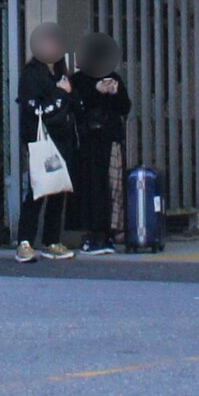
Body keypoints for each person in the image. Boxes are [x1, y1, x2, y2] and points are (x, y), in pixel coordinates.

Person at [14, 25, 79, 262]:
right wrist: (61, 94)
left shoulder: (63, 74)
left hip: (62, 139)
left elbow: (73, 105)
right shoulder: (31, 74)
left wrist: (68, 93)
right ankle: (24, 242)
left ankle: (52, 241)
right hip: (40, 141)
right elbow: (38, 109)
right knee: (37, 189)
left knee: (59, 188)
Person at [70, 36, 132, 255]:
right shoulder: (78, 80)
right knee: (91, 188)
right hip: (88, 142)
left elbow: (125, 107)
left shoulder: (114, 78)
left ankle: (109, 232)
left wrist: (115, 92)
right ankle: (91, 234)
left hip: (110, 139)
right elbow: (74, 105)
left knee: (112, 188)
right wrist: (96, 90)